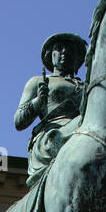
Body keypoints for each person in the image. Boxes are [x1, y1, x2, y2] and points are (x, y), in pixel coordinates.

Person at [14, 33, 87, 187]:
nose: (64, 52)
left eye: (70, 50)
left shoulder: (87, 86)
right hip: (53, 135)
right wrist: (38, 102)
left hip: (85, 132)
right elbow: (19, 121)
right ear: (50, 55)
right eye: (59, 49)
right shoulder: (38, 81)